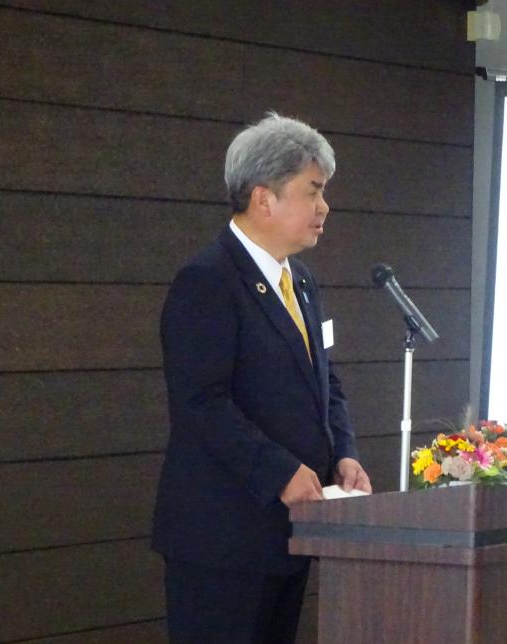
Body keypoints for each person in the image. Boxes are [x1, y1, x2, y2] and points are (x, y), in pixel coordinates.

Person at [152, 113, 372, 643]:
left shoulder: (302, 281)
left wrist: (343, 452)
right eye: (312, 191)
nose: (324, 206)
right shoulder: (207, 280)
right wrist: (279, 471)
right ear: (263, 198)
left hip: (286, 534)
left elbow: (326, 381)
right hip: (223, 540)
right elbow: (201, 403)